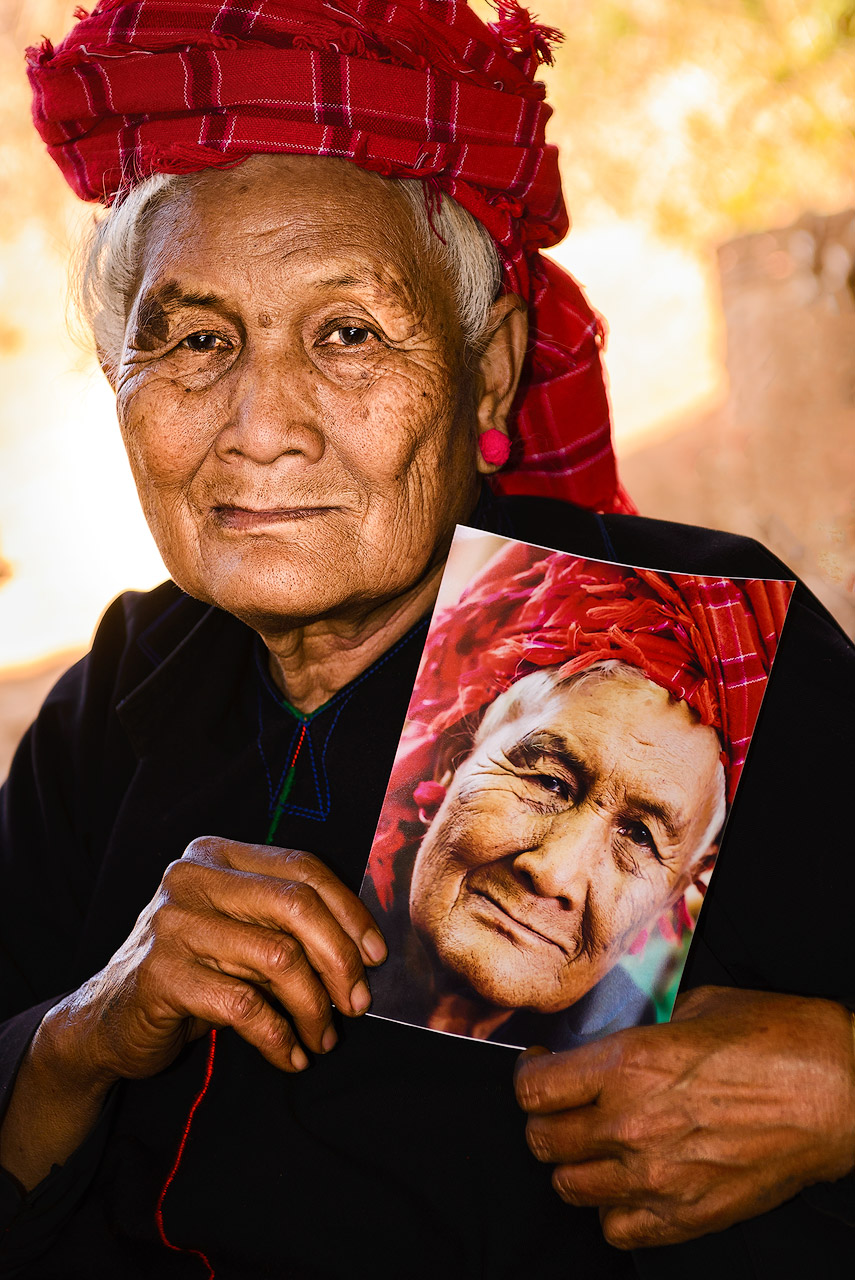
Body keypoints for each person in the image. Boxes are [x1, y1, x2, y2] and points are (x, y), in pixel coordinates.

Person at [0, 2, 853, 1276]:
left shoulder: (712, 644)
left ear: (490, 369)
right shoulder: (118, 694)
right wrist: (86, 1030)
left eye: (346, 333)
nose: (262, 426)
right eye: (193, 341)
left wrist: (842, 1089)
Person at [364, 547, 789, 1050]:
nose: (553, 873)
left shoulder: (644, 1065)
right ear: (453, 761)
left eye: (639, 836)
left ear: (671, 899)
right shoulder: (313, 900)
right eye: (549, 782)